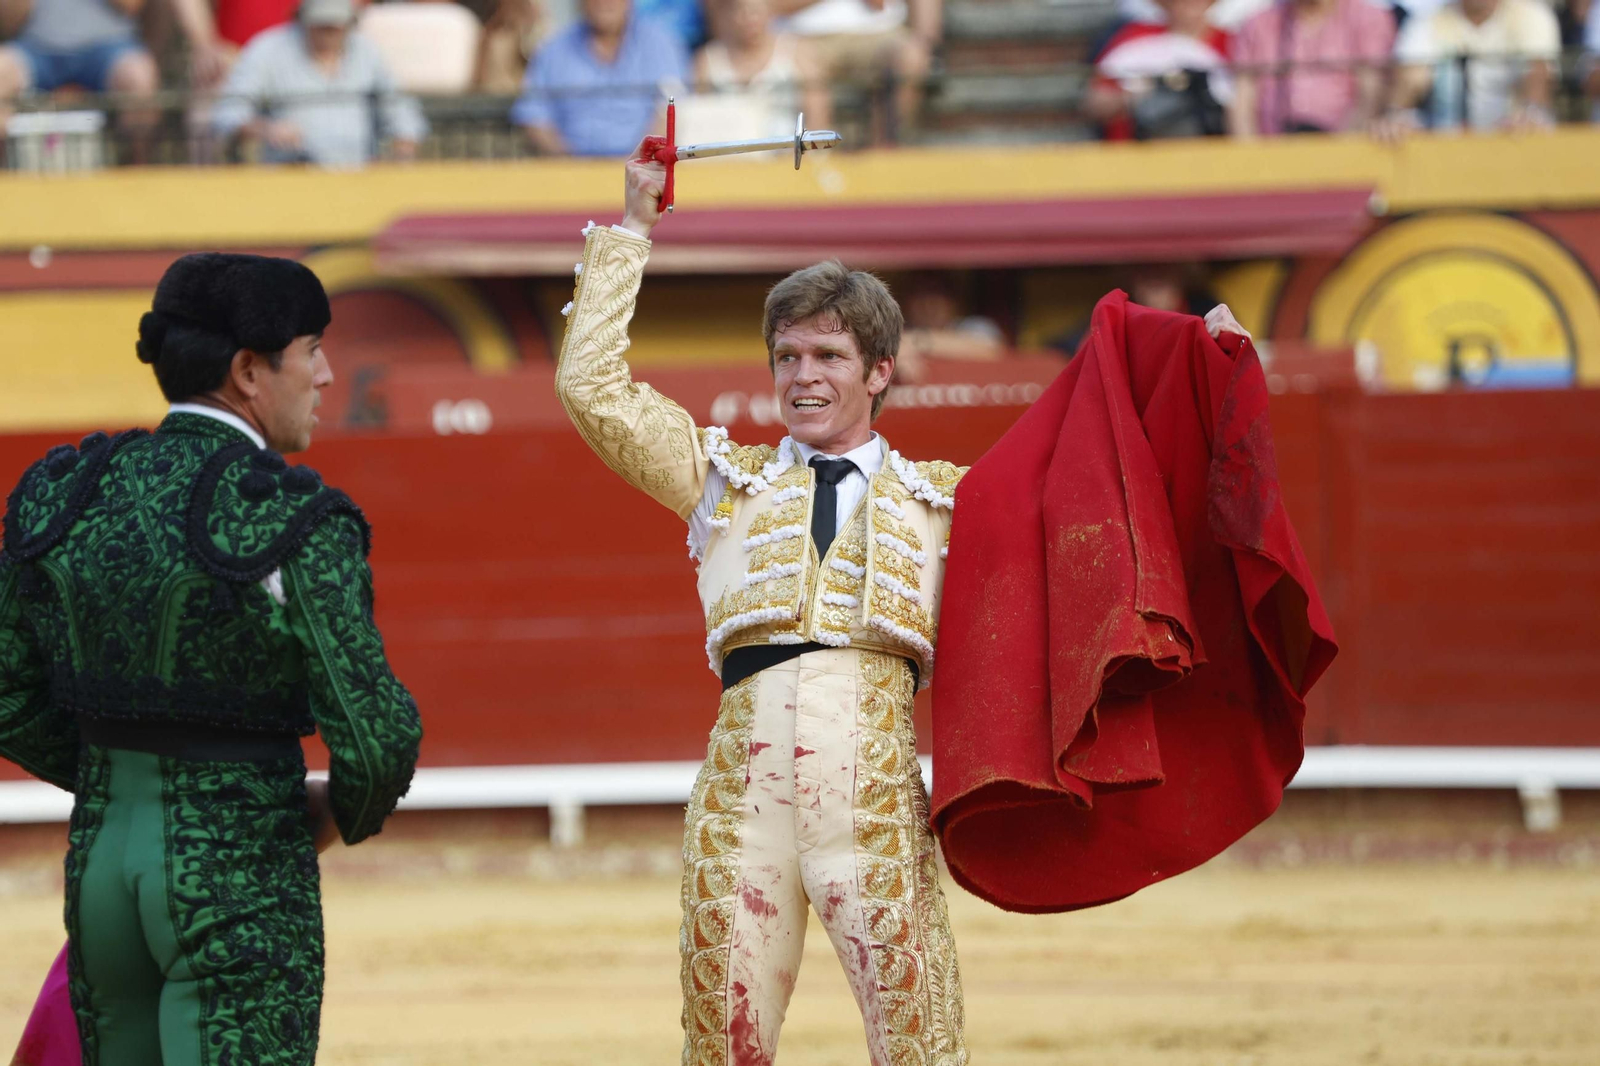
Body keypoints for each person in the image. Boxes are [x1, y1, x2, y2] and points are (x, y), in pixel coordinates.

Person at [0, 252, 423, 1065]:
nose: (328, 374)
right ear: (248, 371)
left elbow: (7, 693)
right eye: (311, 349)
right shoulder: (290, 513)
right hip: (237, 871)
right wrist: (321, 816)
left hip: (100, 874)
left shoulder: (65, 491)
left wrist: (111, 784)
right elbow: (378, 741)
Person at [212, 0, 428, 165]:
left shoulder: (367, 50)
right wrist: (267, 129)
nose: (329, 33)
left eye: (336, 26)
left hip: (360, 177)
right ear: (301, 17)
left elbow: (401, 110)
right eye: (321, 25)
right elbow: (228, 113)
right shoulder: (267, 49)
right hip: (290, 180)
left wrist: (403, 145)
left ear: (350, 22)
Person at [511, 0, 689, 156]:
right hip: (570, 177)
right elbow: (533, 116)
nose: (604, 2)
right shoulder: (553, 50)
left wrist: (638, 163)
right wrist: (569, 162)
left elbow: (671, 109)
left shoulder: (661, 44)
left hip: (644, 174)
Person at [0, 0, 160, 158]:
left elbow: (131, 6)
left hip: (109, 47)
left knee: (139, 76)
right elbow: (9, 21)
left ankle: (137, 169)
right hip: (36, 46)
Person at [1377, 0, 1560, 134]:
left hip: (1515, 142)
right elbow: (1409, 82)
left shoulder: (1531, 16)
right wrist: (1397, 117)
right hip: (1447, 147)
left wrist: (1529, 114)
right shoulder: (1427, 22)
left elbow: (1537, 78)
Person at [1229, 0, 1395, 136]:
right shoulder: (1258, 24)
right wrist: (1256, 162)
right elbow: (1242, 103)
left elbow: (1370, 95)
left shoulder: (1367, 18)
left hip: (1345, 152)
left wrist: (1338, 153)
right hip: (1273, 154)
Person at [1086, 0, 1234, 140]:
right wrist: (1135, 96)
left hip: (1212, 148)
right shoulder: (1135, 38)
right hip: (1136, 149)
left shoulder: (1231, 43)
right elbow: (1095, 102)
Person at [691, 0, 830, 140]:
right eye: (740, 11)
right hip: (727, 152)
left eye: (756, 11)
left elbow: (817, 112)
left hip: (786, 153)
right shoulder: (708, 58)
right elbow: (699, 115)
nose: (749, 18)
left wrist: (813, 154)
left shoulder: (797, 52)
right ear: (727, 14)